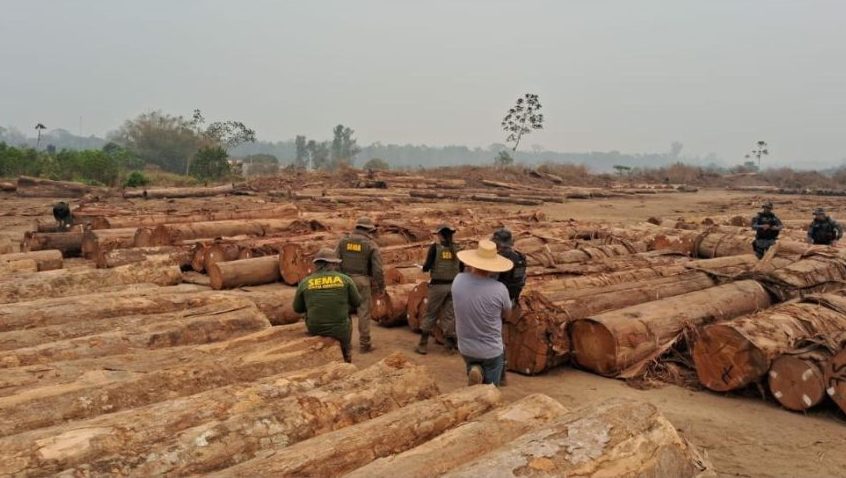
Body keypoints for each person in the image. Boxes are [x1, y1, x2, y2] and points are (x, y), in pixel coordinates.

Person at [452, 239, 514, 386]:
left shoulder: (458, 280)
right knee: (492, 391)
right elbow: (508, 315)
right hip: (491, 350)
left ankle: (475, 369)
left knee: (473, 364)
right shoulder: (499, 289)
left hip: (465, 346)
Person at [292, 248, 361, 363]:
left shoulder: (305, 282)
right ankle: (346, 356)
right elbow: (357, 302)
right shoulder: (346, 280)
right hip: (340, 329)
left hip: (315, 328)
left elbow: (297, 308)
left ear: (316, 264)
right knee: (347, 322)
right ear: (333, 264)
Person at [336, 216, 385, 353]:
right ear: (369, 230)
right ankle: (365, 344)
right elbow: (378, 269)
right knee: (363, 312)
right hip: (362, 281)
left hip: (344, 280)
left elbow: (334, 262)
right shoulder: (370, 244)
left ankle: (344, 344)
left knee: (344, 313)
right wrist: (381, 286)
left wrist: (339, 278)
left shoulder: (343, 241)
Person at [415, 224, 462, 355]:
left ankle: (423, 344)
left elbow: (427, 266)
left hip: (437, 286)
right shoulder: (457, 249)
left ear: (440, 235)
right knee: (449, 315)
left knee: (431, 313)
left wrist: (423, 268)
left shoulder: (435, 248)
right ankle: (448, 346)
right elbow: (462, 268)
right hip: (453, 286)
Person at [491, 228, 526, 386]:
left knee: (494, 336)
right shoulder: (520, 257)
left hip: (497, 299)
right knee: (499, 334)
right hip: (511, 299)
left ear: (498, 242)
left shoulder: (501, 259)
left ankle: (499, 373)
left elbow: (492, 279)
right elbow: (522, 280)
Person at [491, 228, 527, 303]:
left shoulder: (499, 258)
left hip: (497, 297)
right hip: (512, 296)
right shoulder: (519, 257)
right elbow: (520, 279)